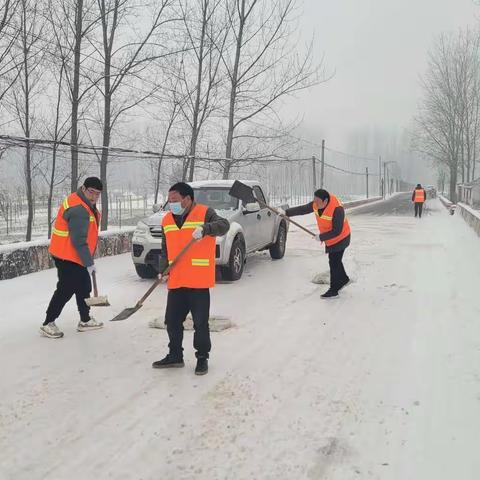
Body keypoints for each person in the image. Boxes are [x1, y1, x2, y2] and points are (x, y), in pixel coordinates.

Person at [152, 182, 229, 375]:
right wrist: (163, 269)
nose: (172, 204)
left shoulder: (205, 213)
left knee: (200, 323)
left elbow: (224, 226)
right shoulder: (167, 220)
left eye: (175, 200)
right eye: (169, 200)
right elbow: (165, 248)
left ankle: (202, 358)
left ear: (188, 199)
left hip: (198, 281)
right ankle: (175, 355)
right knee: (172, 321)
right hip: (176, 279)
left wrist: (206, 229)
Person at [40, 177, 104, 338]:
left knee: (83, 286)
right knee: (65, 289)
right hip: (67, 256)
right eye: (91, 192)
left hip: (74, 255)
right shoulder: (79, 209)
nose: (94, 196)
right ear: (83, 188)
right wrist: (89, 262)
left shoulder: (81, 201)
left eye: (98, 194)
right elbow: (79, 240)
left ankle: (85, 319)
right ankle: (48, 323)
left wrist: (86, 260)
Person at [279, 189, 351, 299]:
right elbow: (303, 209)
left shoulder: (337, 209)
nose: (315, 204)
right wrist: (287, 212)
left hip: (341, 237)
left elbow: (337, 231)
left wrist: (321, 237)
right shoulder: (317, 204)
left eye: (317, 202)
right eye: (314, 201)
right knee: (335, 260)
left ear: (325, 201)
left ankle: (334, 289)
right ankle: (344, 279)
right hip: (330, 238)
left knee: (334, 262)